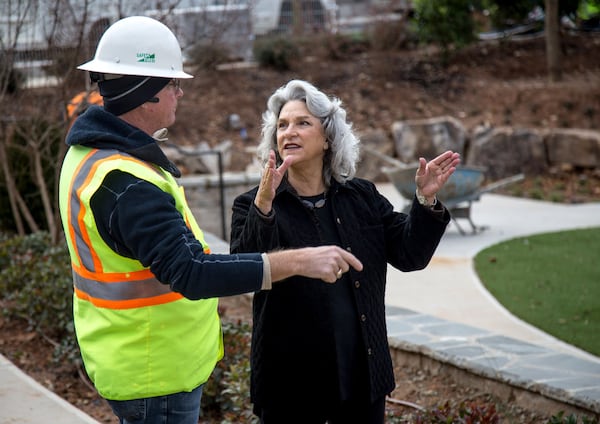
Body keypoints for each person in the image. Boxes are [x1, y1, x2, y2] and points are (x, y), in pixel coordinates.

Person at [58, 18, 361, 424]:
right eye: (171, 84)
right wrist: (298, 262)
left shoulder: (90, 156)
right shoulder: (125, 182)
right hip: (156, 371)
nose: (179, 92)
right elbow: (190, 271)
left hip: (135, 356)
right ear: (146, 94)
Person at [230, 79, 461, 423]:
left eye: (302, 123)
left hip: (362, 377)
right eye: (282, 125)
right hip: (289, 386)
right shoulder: (252, 203)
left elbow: (409, 255)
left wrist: (425, 200)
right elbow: (243, 269)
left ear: (327, 138)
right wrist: (264, 206)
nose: (289, 132)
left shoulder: (362, 197)